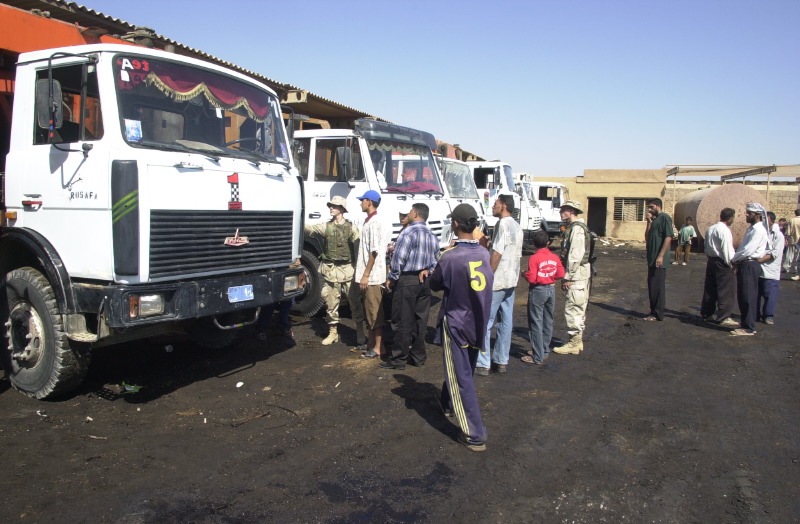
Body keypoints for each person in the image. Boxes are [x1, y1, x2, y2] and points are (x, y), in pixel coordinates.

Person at [429, 203, 493, 452]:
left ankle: (475, 434)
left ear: (455, 224)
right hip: (477, 321)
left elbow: (435, 284)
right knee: (462, 369)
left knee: (461, 376)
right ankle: (446, 402)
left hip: (455, 320)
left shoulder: (450, 256)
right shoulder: (484, 253)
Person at [382, 203, 439, 370]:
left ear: (415, 213)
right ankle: (418, 356)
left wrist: (392, 278)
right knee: (420, 320)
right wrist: (428, 270)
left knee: (402, 320)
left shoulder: (408, 232)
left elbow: (399, 258)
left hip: (407, 280)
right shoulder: (432, 235)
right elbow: (437, 260)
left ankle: (398, 359)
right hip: (424, 281)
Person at [303, 196, 363, 346]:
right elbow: (309, 230)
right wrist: (298, 220)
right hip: (331, 269)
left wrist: (360, 270)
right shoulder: (326, 227)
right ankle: (333, 333)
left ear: (342, 209)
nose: (331, 208)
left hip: (348, 269)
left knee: (354, 301)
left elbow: (359, 248)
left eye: (334, 206)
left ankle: (360, 331)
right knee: (331, 302)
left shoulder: (352, 228)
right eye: (330, 206)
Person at [476, 194, 523, 375]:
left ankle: (483, 363)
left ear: (503, 205)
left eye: (495, 204)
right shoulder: (517, 225)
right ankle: (501, 361)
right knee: (505, 321)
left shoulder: (502, 224)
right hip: (511, 279)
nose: (493, 207)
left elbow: (497, 254)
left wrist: (488, 275)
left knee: (485, 321)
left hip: (497, 280)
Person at [553, 199, 592, 354]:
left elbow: (575, 256)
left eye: (564, 210)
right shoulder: (576, 228)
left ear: (571, 211)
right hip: (581, 273)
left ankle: (573, 343)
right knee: (578, 306)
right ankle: (577, 341)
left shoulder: (577, 230)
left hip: (577, 274)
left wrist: (567, 276)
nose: (561, 212)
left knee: (574, 307)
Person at [521, 230, 565, 365]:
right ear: (548, 243)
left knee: (535, 323)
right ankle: (544, 350)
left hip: (538, 290)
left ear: (534, 244)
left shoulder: (534, 258)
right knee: (548, 320)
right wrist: (551, 277)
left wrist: (524, 273)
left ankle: (538, 356)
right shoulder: (554, 257)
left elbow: (532, 278)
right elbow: (561, 273)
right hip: (551, 289)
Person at [354, 190, 388, 357]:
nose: (360, 203)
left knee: (375, 313)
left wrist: (366, 275)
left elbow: (373, 252)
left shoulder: (374, 223)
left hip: (373, 277)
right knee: (369, 311)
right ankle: (371, 342)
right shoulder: (369, 222)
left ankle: (379, 348)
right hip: (369, 276)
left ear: (369, 202)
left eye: (362, 200)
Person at [730, 202, 771, 336]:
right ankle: (745, 322)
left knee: (748, 296)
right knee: (742, 295)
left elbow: (748, 250)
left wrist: (734, 259)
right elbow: (743, 247)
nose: (746, 215)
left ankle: (749, 327)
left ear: (758, 215)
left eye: (750, 213)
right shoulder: (751, 229)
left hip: (750, 264)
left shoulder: (759, 230)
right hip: (744, 263)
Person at [700, 208, 738, 327]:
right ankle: (723, 316)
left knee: (710, 289)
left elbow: (706, 246)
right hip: (722, 263)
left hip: (711, 261)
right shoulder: (724, 231)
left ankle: (707, 313)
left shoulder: (710, 229)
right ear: (730, 218)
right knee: (726, 290)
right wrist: (732, 265)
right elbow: (727, 250)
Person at [643, 198, 673, 321]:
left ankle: (658, 314)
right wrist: (649, 222)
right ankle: (653, 311)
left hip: (658, 259)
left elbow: (668, 237)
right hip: (651, 259)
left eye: (651, 207)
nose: (649, 210)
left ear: (658, 206)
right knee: (652, 285)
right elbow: (647, 237)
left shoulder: (665, 217)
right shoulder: (654, 221)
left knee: (657, 286)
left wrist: (660, 255)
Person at [757, 211, 784, 325]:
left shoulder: (778, 236)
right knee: (756, 295)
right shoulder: (760, 233)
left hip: (770, 271)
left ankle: (768, 316)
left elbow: (773, 254)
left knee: (769, 295)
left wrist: (756, 261)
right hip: (758, 270)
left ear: (772, 221)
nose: (763, 222)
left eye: (766, 220)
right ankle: (755, 314)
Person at [783, 209, 800, 281]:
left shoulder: (792, 220)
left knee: (789, 254)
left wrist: (786, 238)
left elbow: (788, 231)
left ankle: (786, 268)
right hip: (799, 240)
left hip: (792, 239)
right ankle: (796, 270)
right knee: (798, 256)